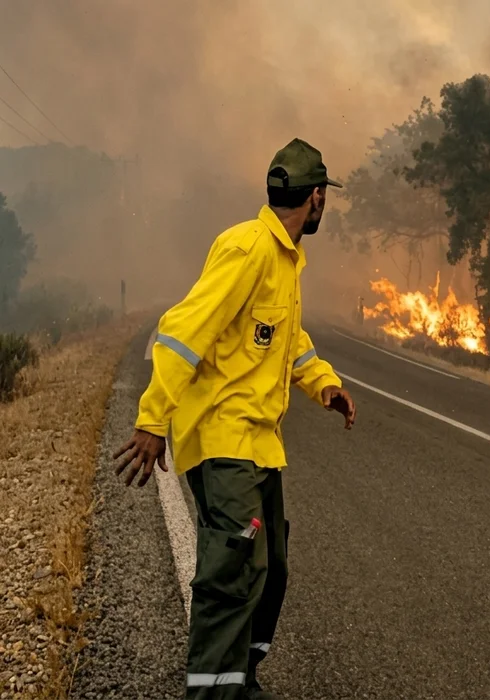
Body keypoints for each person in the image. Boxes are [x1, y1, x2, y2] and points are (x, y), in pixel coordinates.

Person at [114, 138, 357, 700]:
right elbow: (182, 332)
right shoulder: (248, 249)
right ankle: (211, 693)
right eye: (326, 197)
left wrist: (325, 385)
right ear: (316, 196)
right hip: (225, 444)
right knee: (230, 578)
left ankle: (238, 681)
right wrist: (152, 421)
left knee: (268, 573)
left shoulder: (286, 258)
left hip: (258, 446)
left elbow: (288, 341)